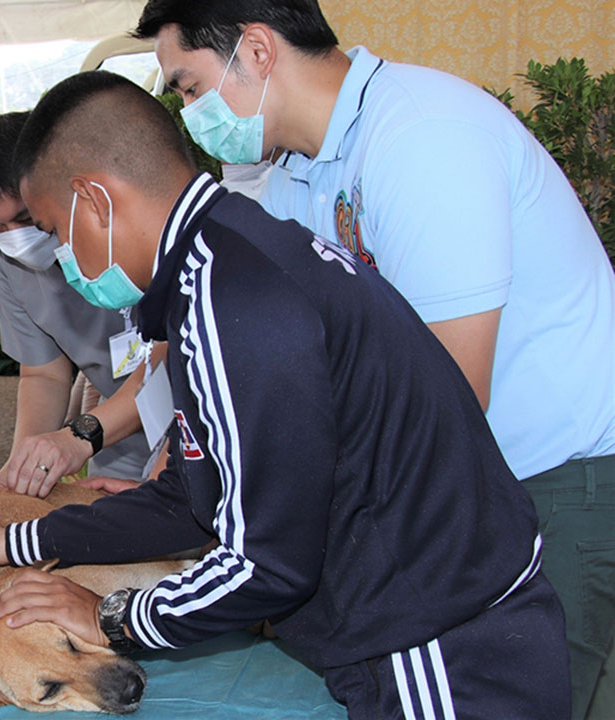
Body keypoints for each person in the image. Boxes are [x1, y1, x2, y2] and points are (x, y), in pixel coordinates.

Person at [0, 71, 572, 719]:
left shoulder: (230, 305)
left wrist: (109, 617)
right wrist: (19, 541)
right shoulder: (235, 255)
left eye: (54, 231)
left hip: (434, 640)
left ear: (95, 201)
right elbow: (198, 501)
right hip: (422, 608)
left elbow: (267, 564)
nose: (59, 257)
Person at [134, 3, 615, 717]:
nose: (189, 113)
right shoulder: (293, 174)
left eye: (190, 87)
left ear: (257, 51)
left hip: (548, 479)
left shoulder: (422, 136)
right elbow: (288, 359)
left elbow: (454, 386)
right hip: (453, 483)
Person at [0, 112, 157, 494]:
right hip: (116, 427)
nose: (15, 237)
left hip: (192, 414)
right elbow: (43, 374)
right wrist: (23, 464)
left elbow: (169, 365)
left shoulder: (134, 226)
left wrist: (78, 437)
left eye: (26, 218)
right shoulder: (8, 259)